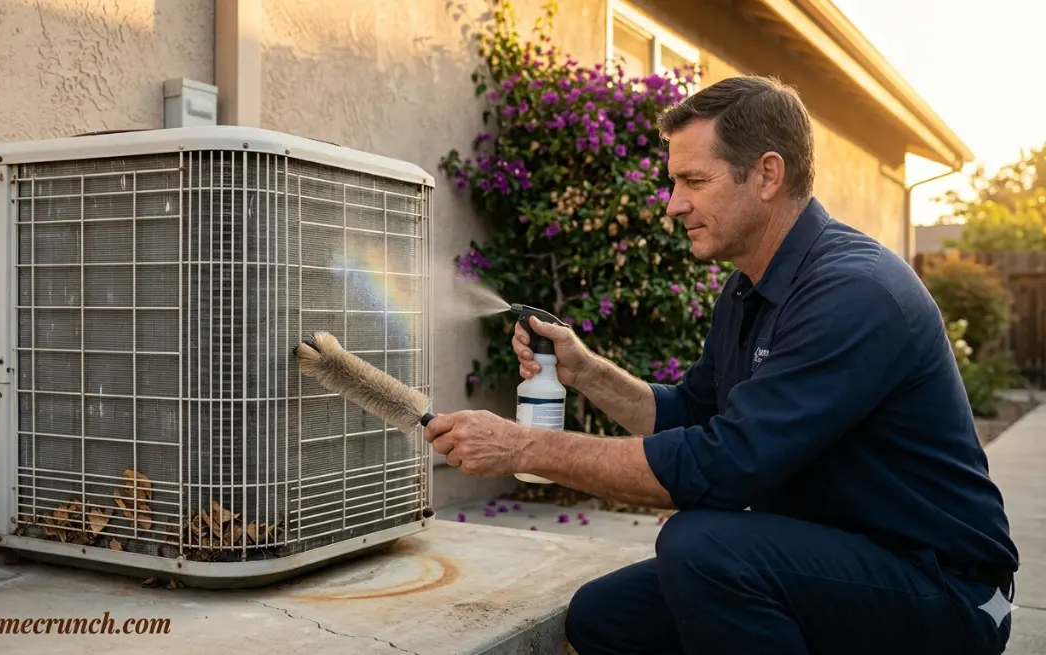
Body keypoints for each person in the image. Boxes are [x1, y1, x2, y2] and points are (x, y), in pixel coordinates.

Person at [422, 75, 1018, 654]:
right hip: (839, 556)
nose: (673, 205)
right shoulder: (746, 291)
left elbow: (726, 465)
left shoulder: (853, 292)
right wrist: (586, 372)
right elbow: (691, 412)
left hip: (945, 588)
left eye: (693, 181)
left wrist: (522, 449)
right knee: (606, 619)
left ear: (766, 175)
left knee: (703, 546)